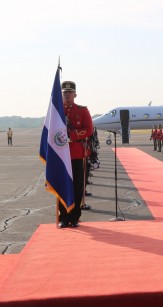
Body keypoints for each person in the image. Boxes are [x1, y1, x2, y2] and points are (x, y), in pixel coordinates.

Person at [58, 80, 94, 228]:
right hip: (60, 155)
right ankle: (63, 217)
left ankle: (74, 217)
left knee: (77, 187)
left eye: (70, 93)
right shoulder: (56, 111)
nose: (67, 96)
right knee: (61, 186)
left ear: (75, 94)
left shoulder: (82, 110)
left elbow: (89, 129)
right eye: (65, 93)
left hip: (76, 155)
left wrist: (73, 135)